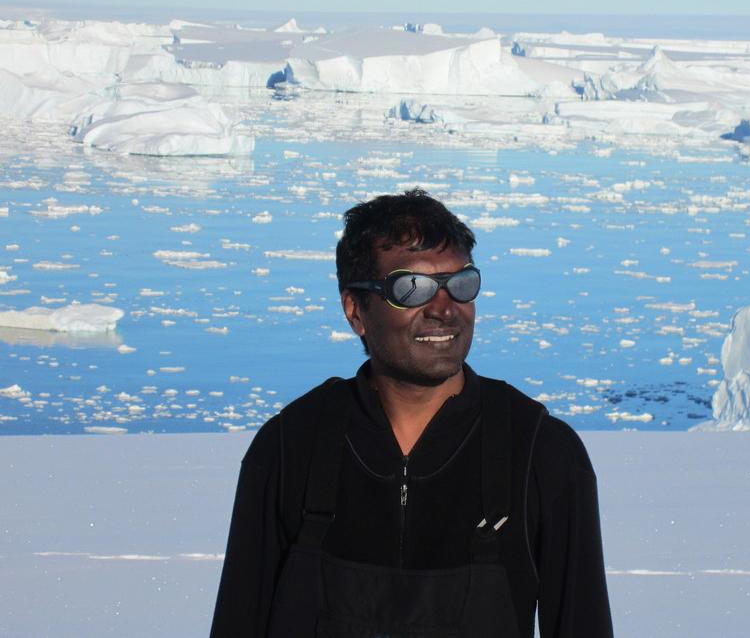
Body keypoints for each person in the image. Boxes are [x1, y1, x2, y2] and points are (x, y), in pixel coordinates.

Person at [210, 189, 613, 637]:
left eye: (461, 284)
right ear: (354, 309)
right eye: (411, 289)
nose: (444, 309)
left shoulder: (541, 452)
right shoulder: (290, 446)